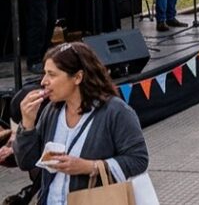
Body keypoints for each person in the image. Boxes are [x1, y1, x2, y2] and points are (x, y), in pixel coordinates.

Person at [14, 42, 149, 201]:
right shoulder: (52, 111)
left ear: (78, 77)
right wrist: (27, 123)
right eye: (45, 73)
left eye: (52, 74)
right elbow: (26, 162)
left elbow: (139, 160)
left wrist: (89, 167)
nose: (44, 81)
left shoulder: (115, 111)